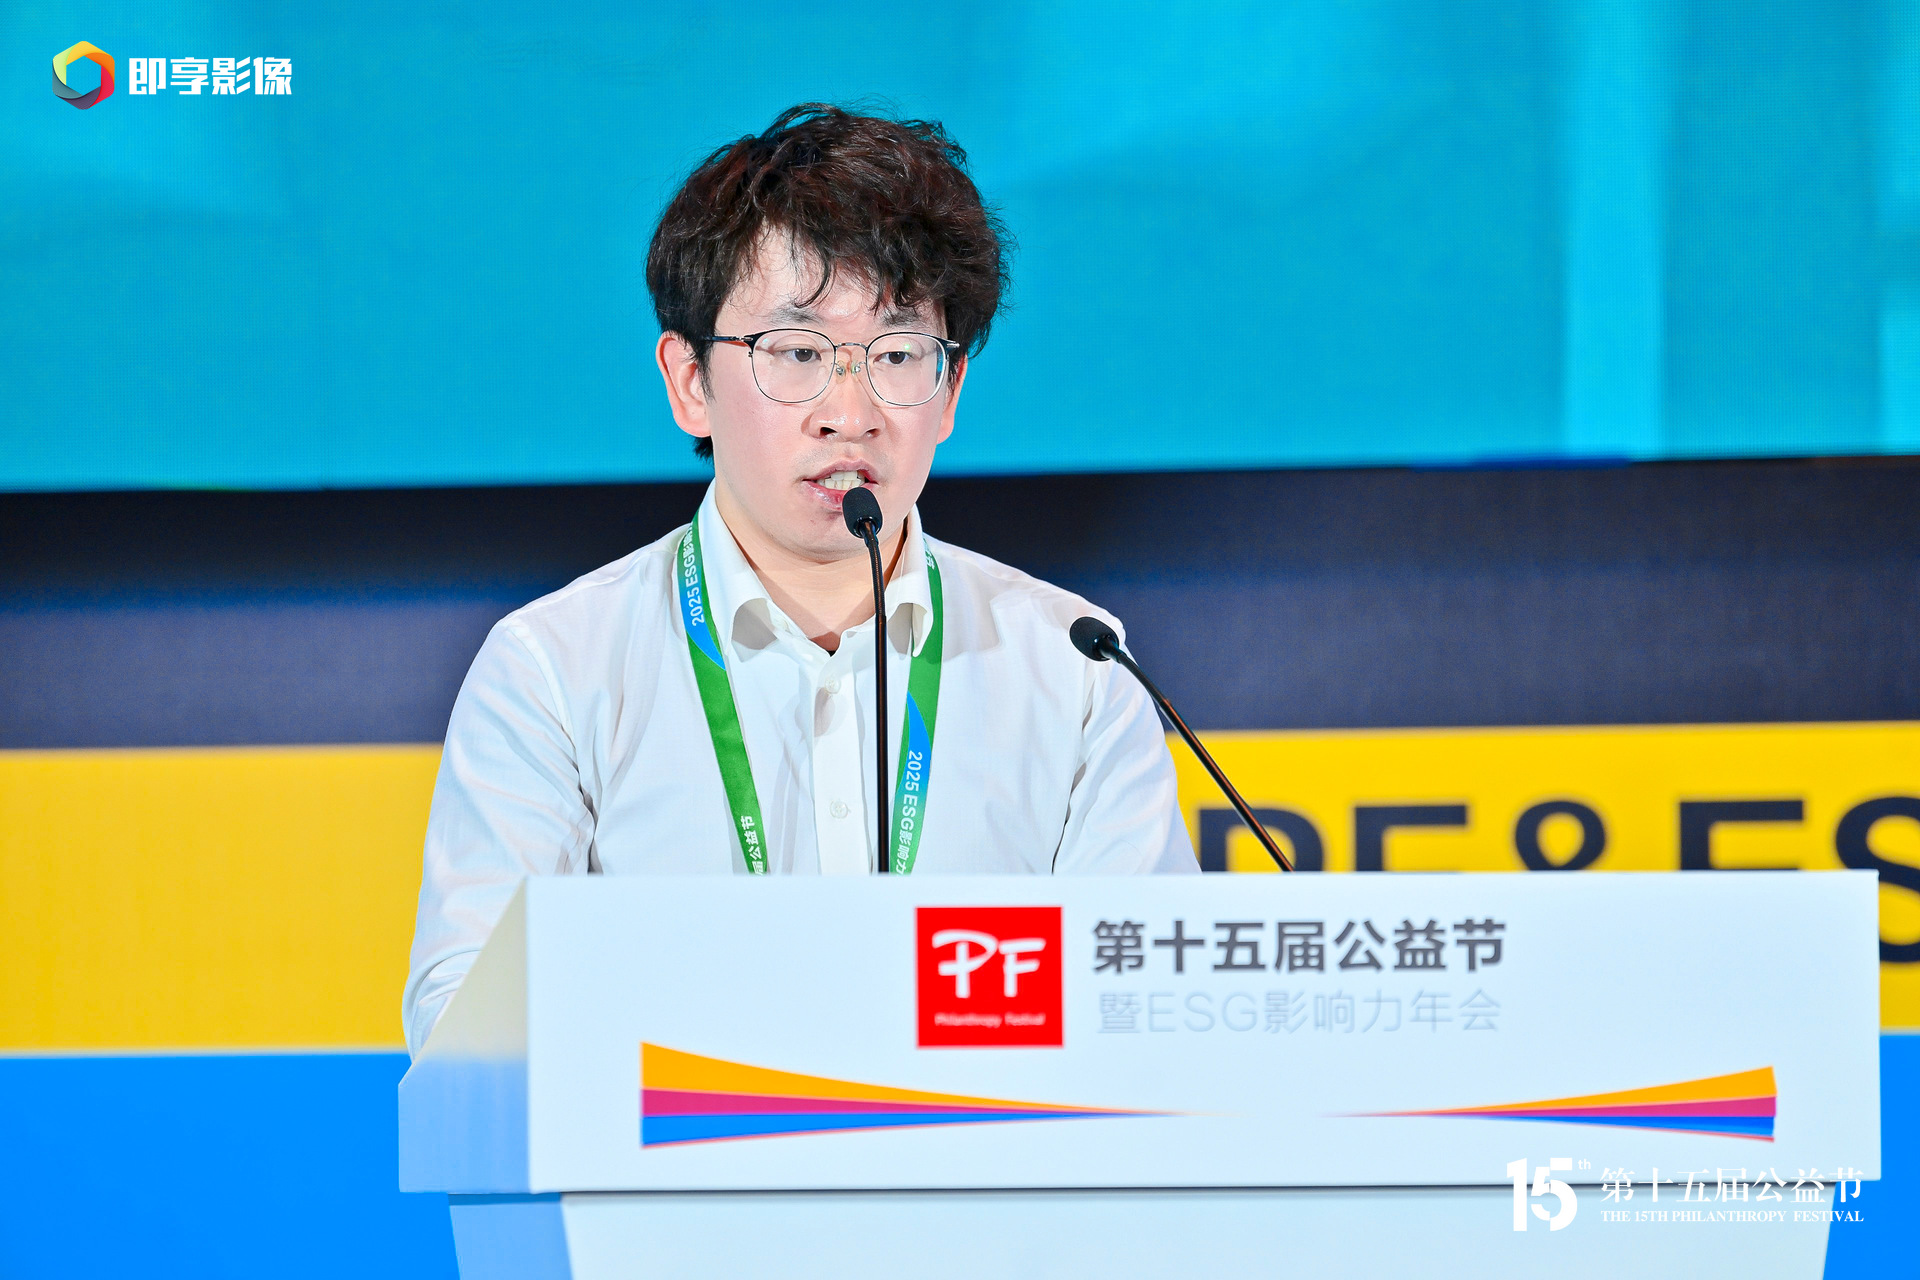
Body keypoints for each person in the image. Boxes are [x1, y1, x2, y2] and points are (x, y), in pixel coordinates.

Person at [403, 104, 1197, 1056]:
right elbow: (464, 1025)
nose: (849, 412)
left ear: (949, 393)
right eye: (798, 353)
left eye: (897, 355)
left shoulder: (1075, 667)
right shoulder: (555, 670)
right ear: (689, 382)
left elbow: (1152, 1018)